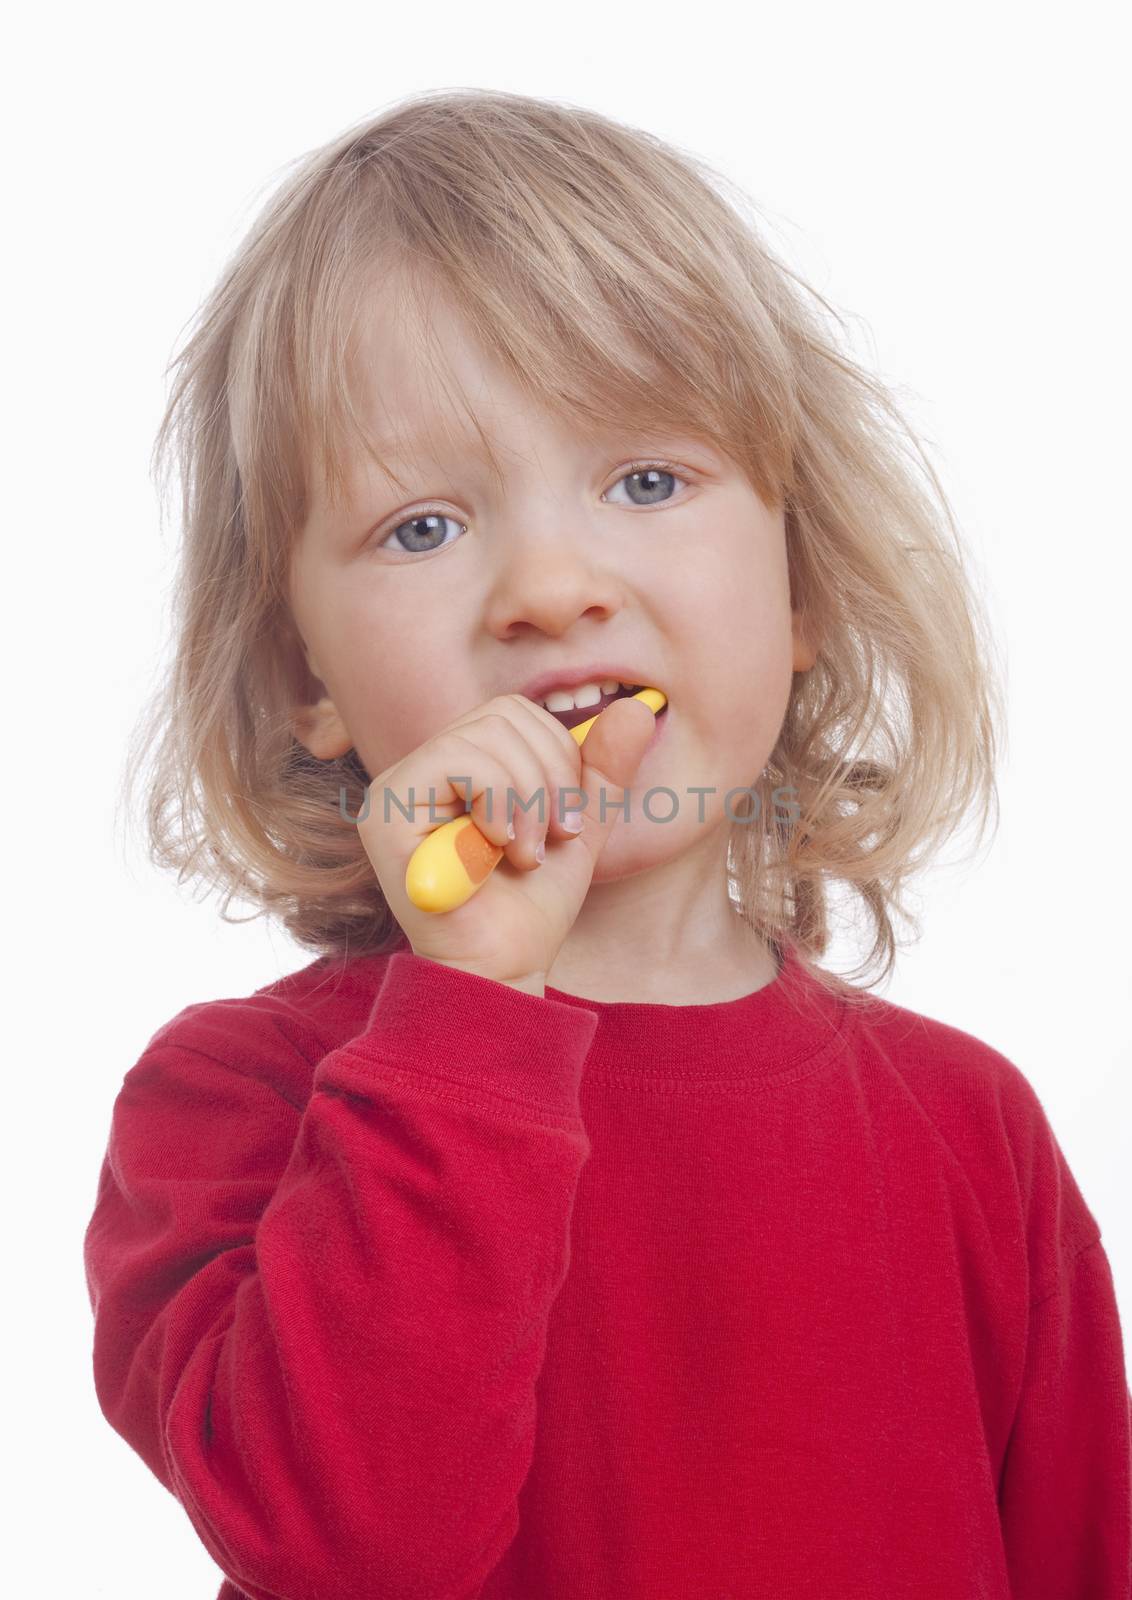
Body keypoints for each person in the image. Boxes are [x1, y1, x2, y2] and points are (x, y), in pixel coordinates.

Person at [83, 87, 1131, 1598]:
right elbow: (357, 1551)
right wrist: (468, 1022)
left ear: (804, 586)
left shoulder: (974, 1134)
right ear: (302, 680)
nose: (553, 586)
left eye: (648, 480)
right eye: (424, 526)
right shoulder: (231, 1109)